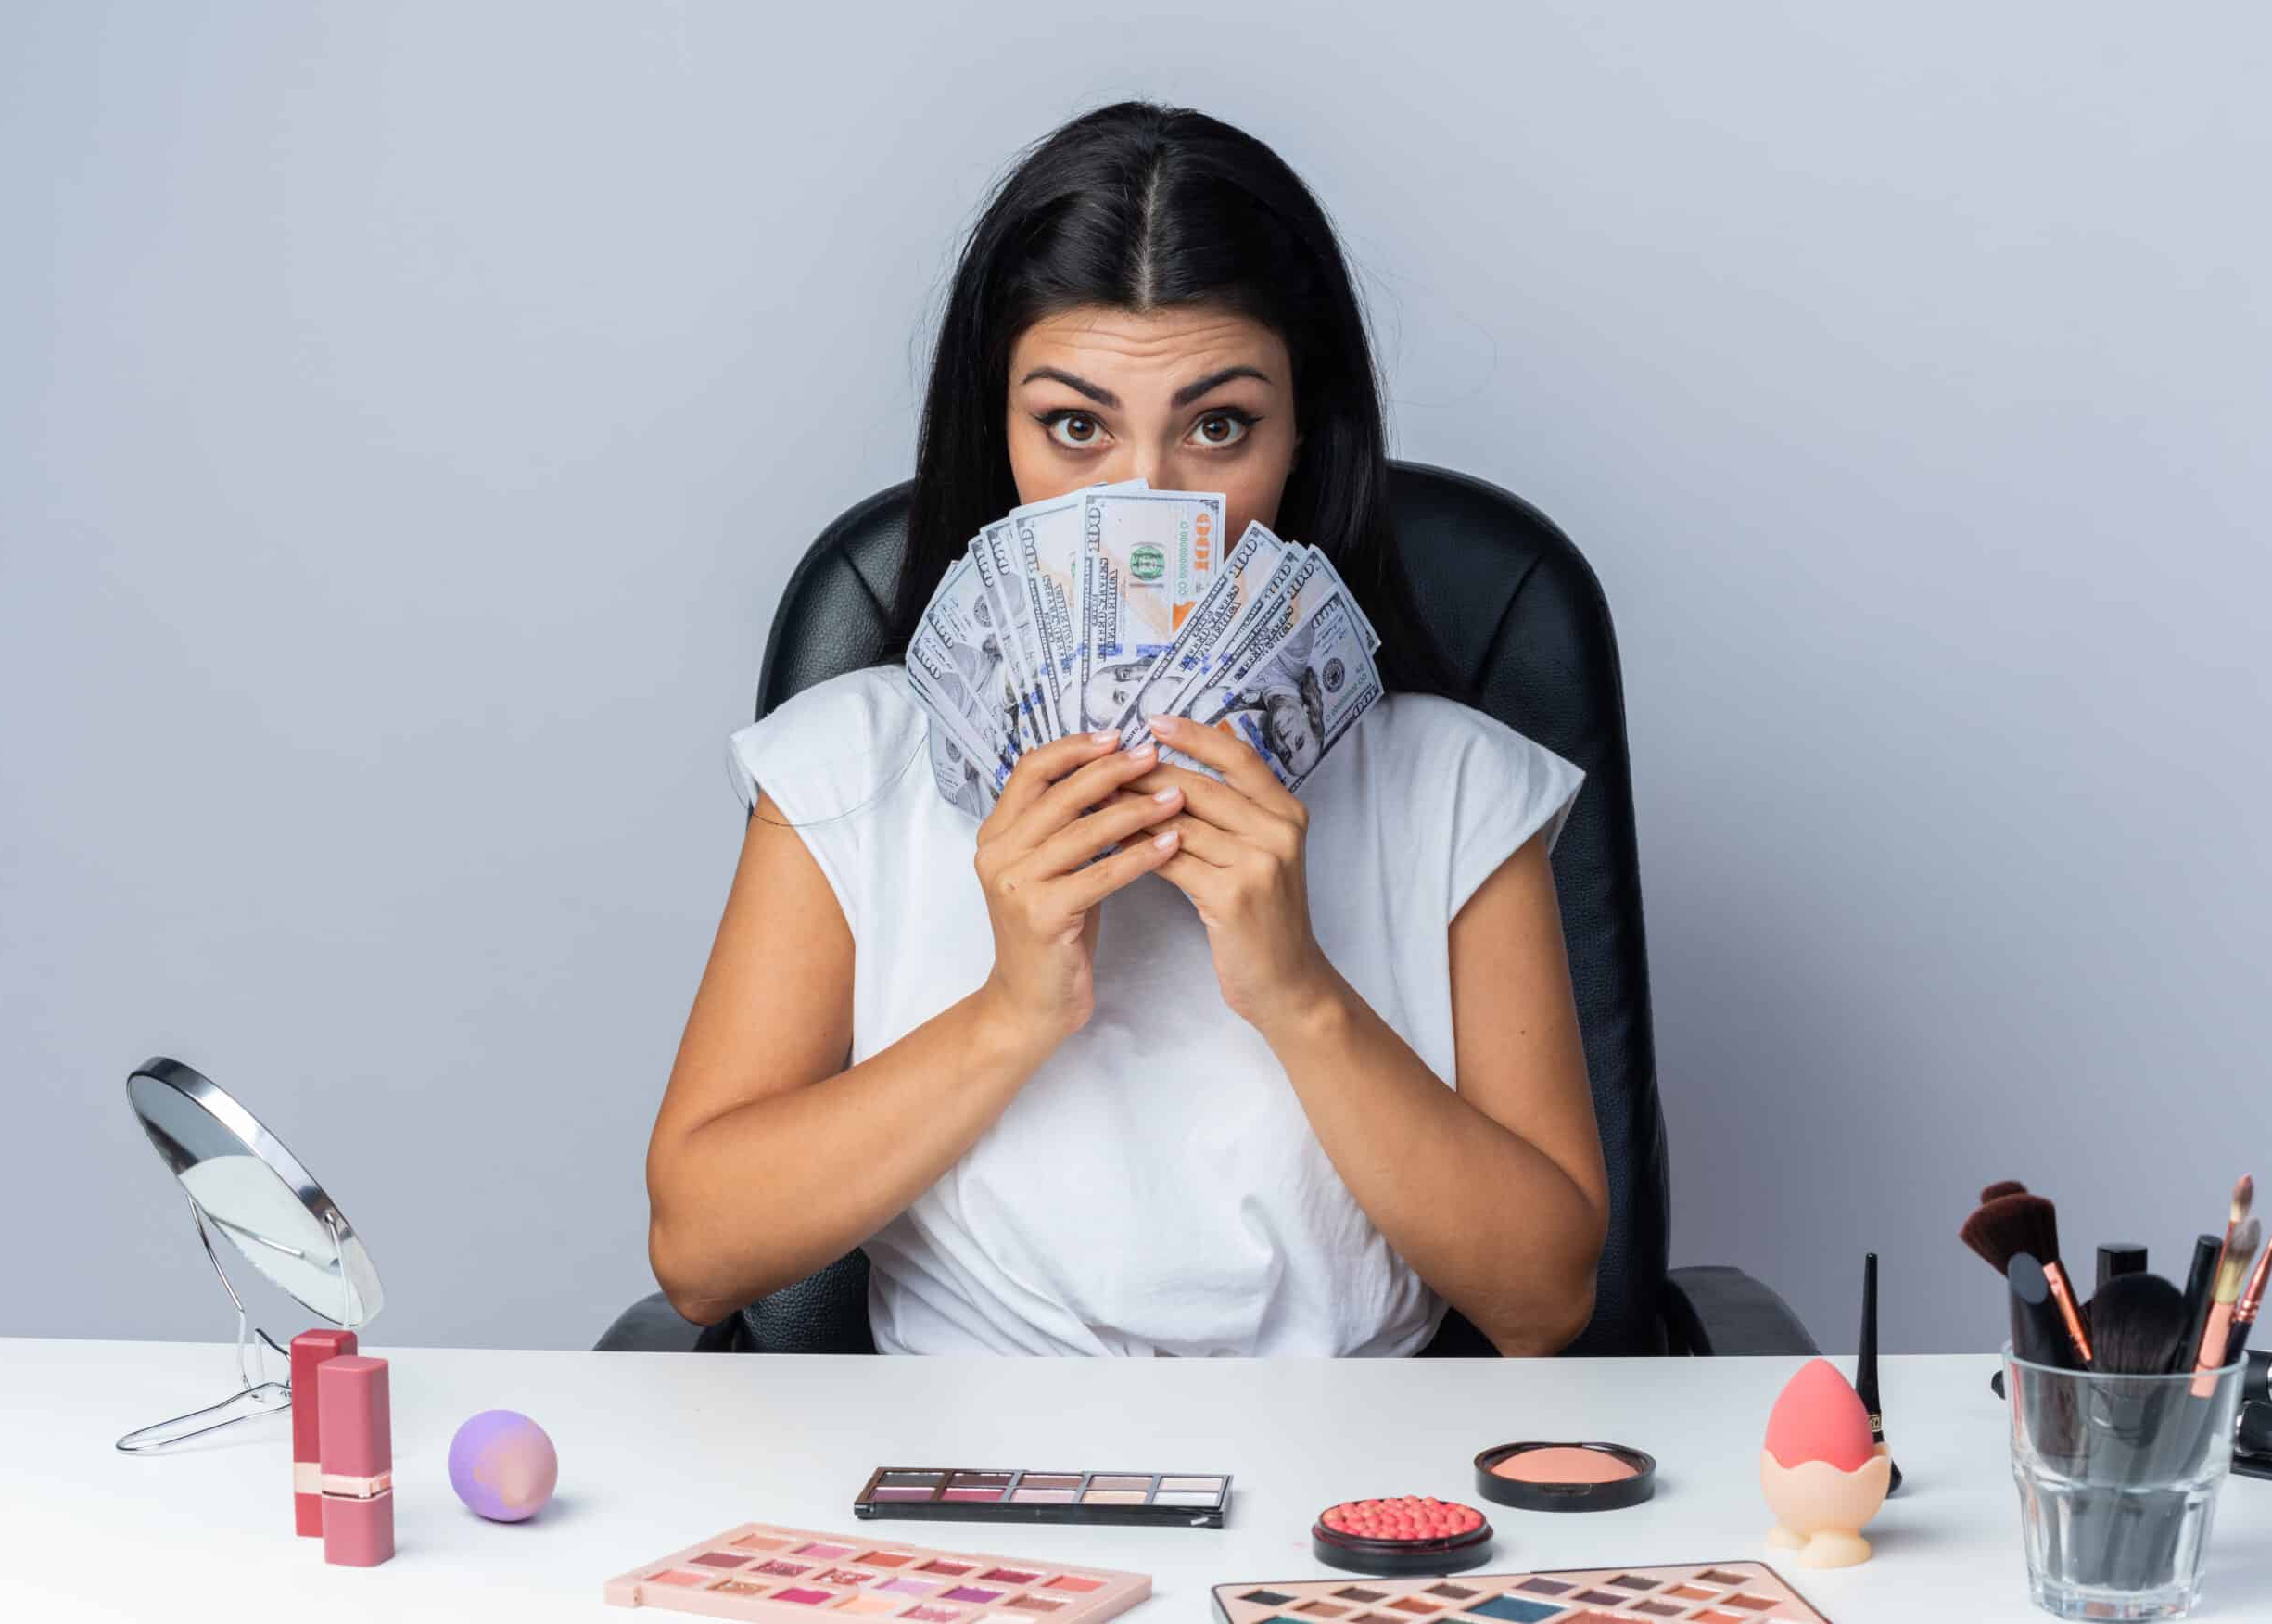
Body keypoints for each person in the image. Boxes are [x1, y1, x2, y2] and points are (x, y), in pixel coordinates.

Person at [645, 101, 1608, 1357]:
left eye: (1218, 427)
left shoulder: (1456, 787)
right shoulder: (850, 770)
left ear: (1303, 432)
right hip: (964, 1482)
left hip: (1351, 1492)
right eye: (1075, 427)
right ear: (996, 434)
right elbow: (698, 1258)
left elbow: (1549, 1303)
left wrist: (1296, 989)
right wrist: (1014, 1008)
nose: (1143, 510)